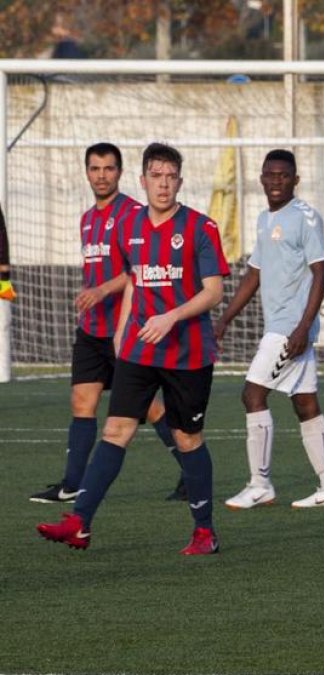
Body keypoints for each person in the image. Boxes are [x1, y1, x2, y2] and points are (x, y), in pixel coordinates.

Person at [37, 142, 229, 554]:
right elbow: (135, 280)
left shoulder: (200, 227)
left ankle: (204, 531)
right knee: (115, 429)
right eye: (155, 177)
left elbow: (213, 292)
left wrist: (171, 316)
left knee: (187, 438)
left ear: (180, 181)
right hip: (139, 352)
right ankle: (79, 522)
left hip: (188, 353)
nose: (163, 184)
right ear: (142, 181)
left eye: (170, 177)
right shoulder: (129, 226)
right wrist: (123, 338)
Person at [29, 142, 186, 506]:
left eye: (109, 168)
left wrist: (101, 290)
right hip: (91, 329)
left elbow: (137, 270)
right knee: (81, 401)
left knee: (150, 408)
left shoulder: (133, 214)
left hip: (126, 329)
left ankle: (189, 471)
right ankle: (71, 484)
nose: (102, 175)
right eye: (95, 169)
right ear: (87, 173)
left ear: (120, 172)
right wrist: (90, 294)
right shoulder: (87, 218)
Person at [215, 149, 324, 510]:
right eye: (270, 175)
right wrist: (226, 318)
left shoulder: (305, 217)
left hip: (290, 327)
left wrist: (303, 327)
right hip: (282, 325)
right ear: (261, 178)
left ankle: (260, 485)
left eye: (283, 176)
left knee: (252, 395)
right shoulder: (263, 219)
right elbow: (254, 273)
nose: (276, 181)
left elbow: (321, 273)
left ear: (295, 180)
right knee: (304, 403)